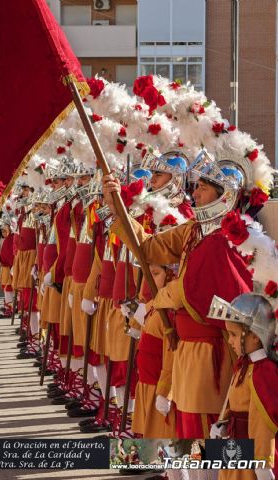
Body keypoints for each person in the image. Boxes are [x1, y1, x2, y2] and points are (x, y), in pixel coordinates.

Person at [102, 151, 253, 438]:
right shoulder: (193, 230)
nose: (194, 193)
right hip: (185, 347)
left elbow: (190, 288)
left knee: (206, 433)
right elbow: (148, 248)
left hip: (209, 352)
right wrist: (116, 206)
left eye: (203, 188)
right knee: (189, 431)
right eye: (196, 186)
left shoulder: (223, 239)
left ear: (225, 195)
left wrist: (155, 301)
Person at [209, 293, 278, 480]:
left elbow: (263, 422)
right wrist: (223, 423)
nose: (229, 340)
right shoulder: (244, 365)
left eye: (233, 334)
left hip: (251, 453)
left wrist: (263, 462)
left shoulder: (263, 372)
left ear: (255, 337)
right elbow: (234, 402)